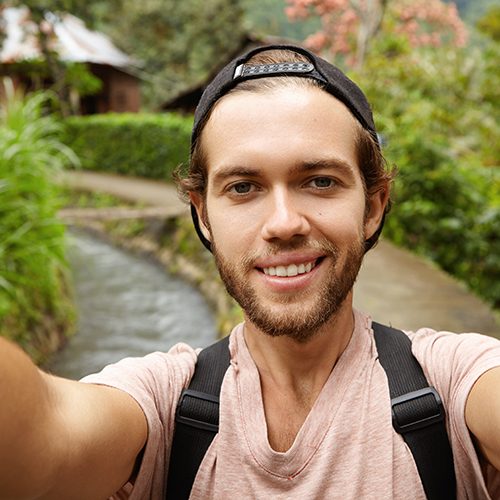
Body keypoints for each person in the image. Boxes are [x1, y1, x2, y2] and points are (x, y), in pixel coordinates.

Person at [1, 44, 499, 500]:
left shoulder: (451, 385)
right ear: (203, 215)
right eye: (243, 188)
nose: (283, 224)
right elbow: (46, 440)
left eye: (320, 181)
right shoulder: (163, 408)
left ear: (373, 206)